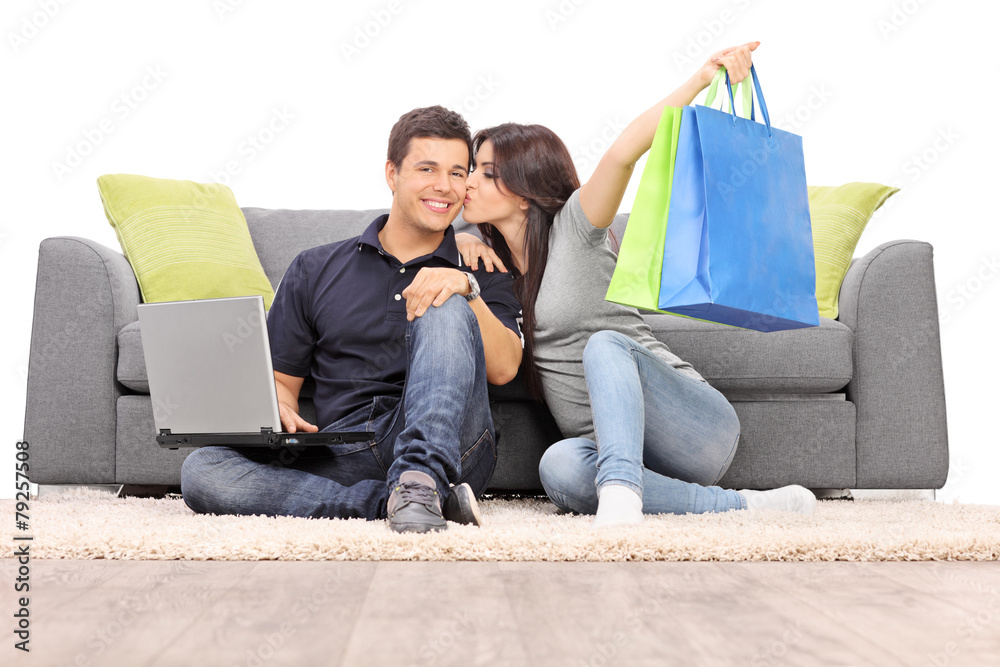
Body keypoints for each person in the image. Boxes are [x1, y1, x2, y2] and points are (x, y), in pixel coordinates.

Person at [458, 43, 817, 529]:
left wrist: (700, 78)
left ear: (524, 193)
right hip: (607, 452)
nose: (468, 182)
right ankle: (739, 506)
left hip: (693, 428)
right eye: (473, 169)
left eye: (487, 172)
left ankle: (623, 493)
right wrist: (454, 239)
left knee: (607, 345)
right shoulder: (492, 269)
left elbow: (625, 151)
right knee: (557, 465)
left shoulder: (576, 228)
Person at [181, 106, 524, 533]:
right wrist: (281, 410)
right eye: (427, 168)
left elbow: (506, 366)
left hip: (453, 447)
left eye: (458, 173)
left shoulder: (480, 269)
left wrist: (462, 286)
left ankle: (421, 479)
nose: (444, 186)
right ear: (392, 173)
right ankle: (392, 501)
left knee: (444, 299)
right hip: (347, 449)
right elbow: (281, 384)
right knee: (202, 469)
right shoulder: (314, 268)